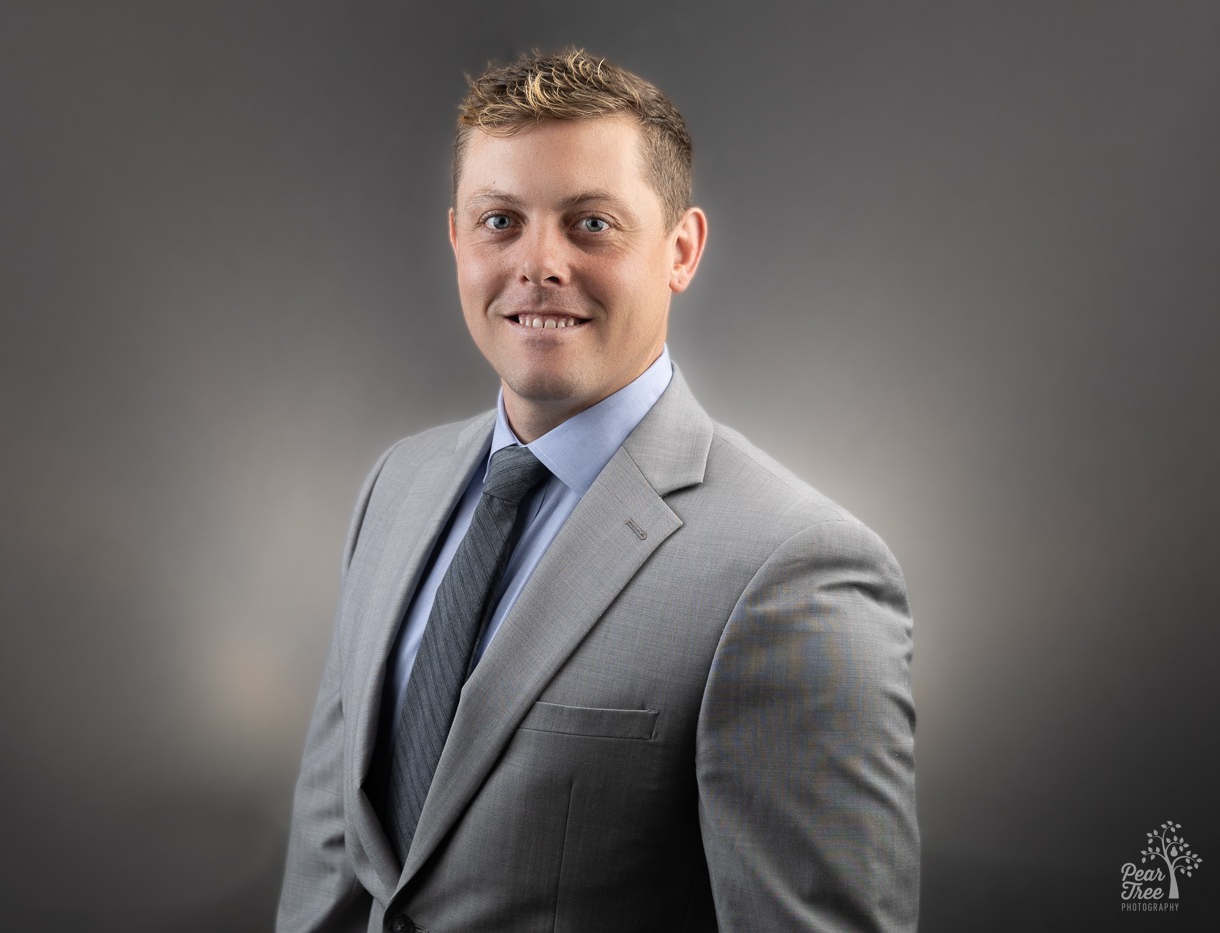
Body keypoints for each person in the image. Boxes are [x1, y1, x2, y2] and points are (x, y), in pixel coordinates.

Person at [279, 48, 918, 932]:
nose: (539, 263)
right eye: (501, 219)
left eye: (591, 224)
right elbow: (332, 865)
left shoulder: (796, 574)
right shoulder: (398, 486)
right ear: (458, 238)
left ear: (681, 250)